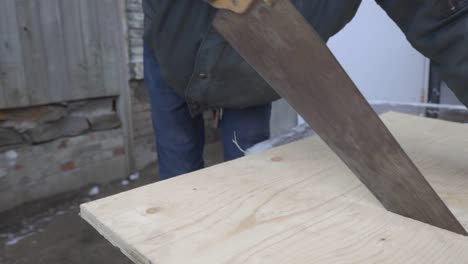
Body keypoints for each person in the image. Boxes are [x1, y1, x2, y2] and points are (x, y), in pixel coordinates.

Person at [143, 0, 468, 180]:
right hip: (169, 55)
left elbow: (449, 20)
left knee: (244, 185)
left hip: (249, 82)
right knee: (177, 178)